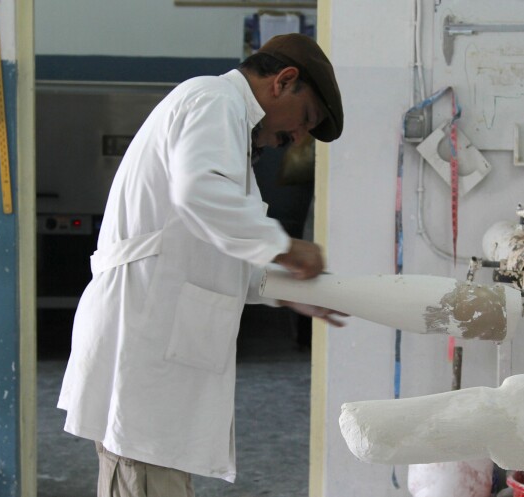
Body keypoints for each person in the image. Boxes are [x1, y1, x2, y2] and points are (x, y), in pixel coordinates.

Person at [57, 33, 346, 496]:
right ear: (284, 81)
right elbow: (199, 195)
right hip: (147, 340)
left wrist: (292, 290)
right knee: (143, 475)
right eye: (305, 118)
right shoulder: (214, 99)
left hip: (158, 339)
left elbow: (222, 250)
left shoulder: (225, 123)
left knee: (151, 475)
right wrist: (287, 247)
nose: (296, 137)